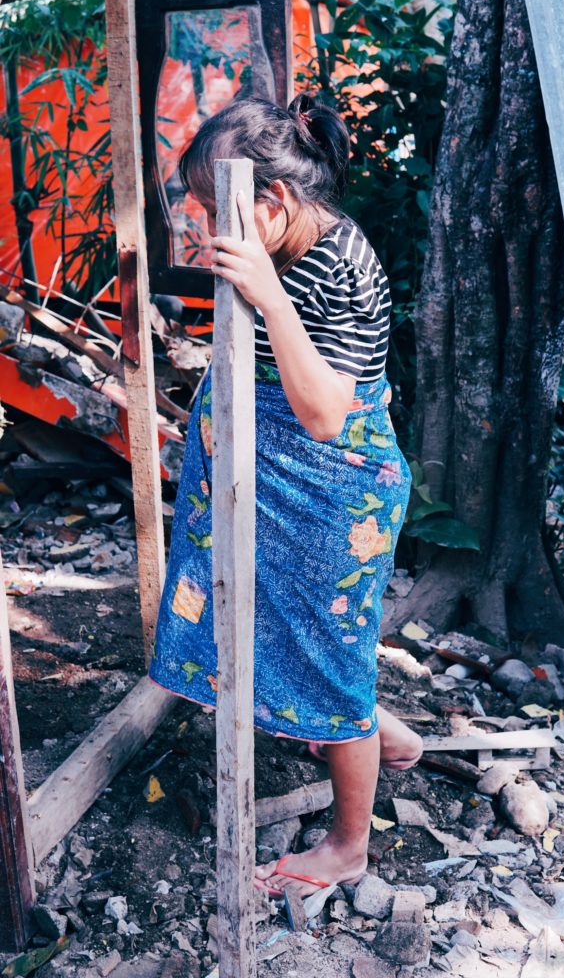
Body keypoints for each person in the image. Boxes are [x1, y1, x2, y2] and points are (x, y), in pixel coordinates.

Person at [149, 93, 423, 898]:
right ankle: (381, 732)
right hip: (265, 472)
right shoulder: (278, 245)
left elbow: (324, 414)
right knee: (268, 612)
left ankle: (348, 846)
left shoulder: (341, 262)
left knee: (325, 650)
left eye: (214, 211)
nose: (205, 229)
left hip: (329, 487)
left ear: (269, 202)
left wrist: (268, 294)